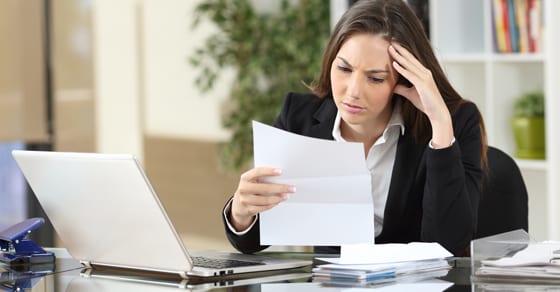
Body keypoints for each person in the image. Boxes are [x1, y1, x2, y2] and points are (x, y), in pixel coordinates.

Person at [221, 0, 487, 256]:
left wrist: (440, 124)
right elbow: (258, 238)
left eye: (375, 78)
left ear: (403, 79)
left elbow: (448, 245)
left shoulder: (454, 122)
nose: (353, 91)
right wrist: (242, 212)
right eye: (344, 69)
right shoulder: (299, 117)